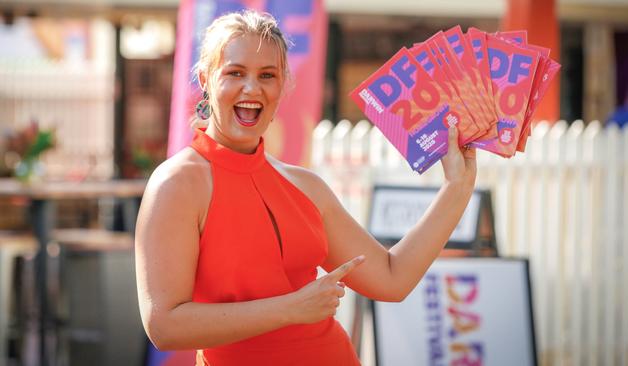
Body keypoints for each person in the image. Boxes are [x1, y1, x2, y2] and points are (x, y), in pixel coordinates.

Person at [135, 10, 477, 366]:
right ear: (206, 78)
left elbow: (392, 278)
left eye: (267, 75)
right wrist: (291, 308)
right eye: (235, 73)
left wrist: (456, 187)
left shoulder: (305, 186)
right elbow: (164, 325)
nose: (252, 88)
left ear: (282, 85)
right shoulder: (176, 184)